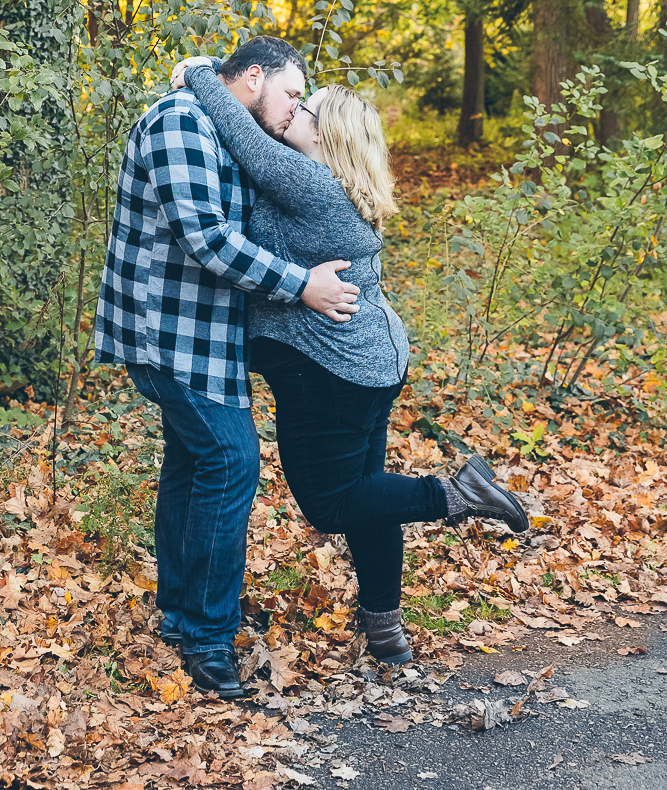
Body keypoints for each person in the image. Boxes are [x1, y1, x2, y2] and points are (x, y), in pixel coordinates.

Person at [172, 55, 530, 665]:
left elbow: (240, 136)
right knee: (368, 492)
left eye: (305, 108)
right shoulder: (334, 186)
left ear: (327, 135)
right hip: (369, 361)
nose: (294, 109)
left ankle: (457, 494)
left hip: (332, 368)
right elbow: (253, 137)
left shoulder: (309, 182)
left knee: (332, 503)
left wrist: (199, 73)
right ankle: (387, 632)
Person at [95, 36, 361, 699]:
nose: (295, 106)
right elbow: (208, 239)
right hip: (167, 334)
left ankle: (184, 615)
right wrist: (302, 285)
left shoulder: (217, 125)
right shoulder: (178, 122)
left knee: (193, 464)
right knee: (230, 461)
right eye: (292, 93)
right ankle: (208, 641)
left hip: (202, 338)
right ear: (251, 78)